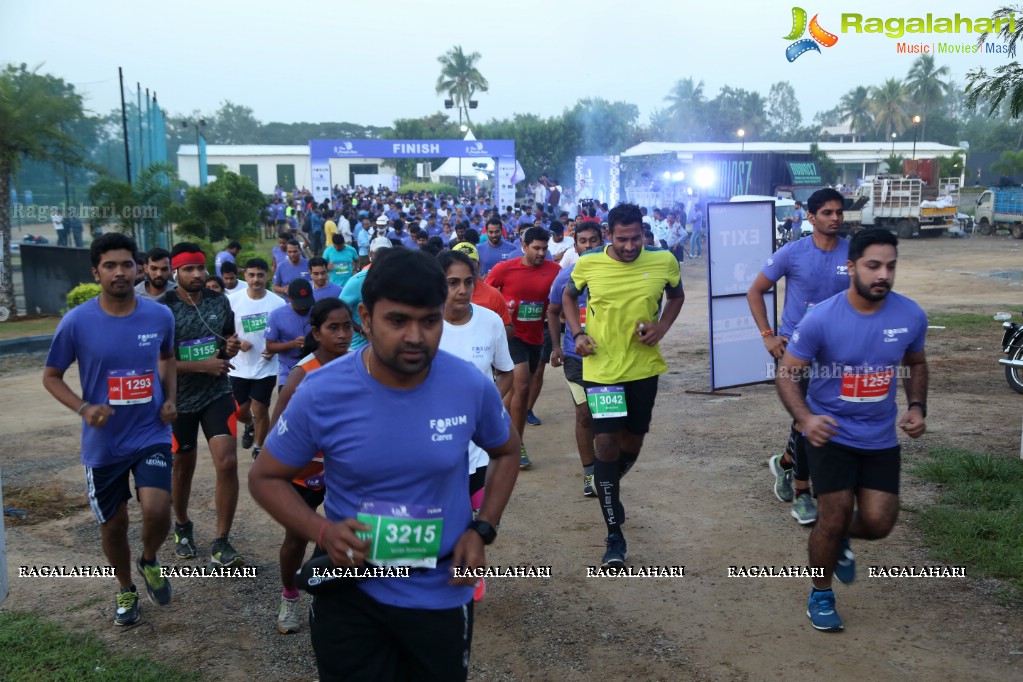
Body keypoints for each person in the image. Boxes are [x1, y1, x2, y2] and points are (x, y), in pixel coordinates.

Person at [248, 248, 520, 681]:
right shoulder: (321, 391)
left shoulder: (468, 384)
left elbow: (506, 450)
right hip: (351, 593)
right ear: (365, 317)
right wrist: (321, 531)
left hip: (440, 590)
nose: (416, 336)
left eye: (429, 321)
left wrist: (483, 527)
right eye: (398, 320)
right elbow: (265, 477)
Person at [776, 229, 928, 632]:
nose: (883, 275)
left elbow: (916, 363)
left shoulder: (910, 315)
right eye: (873, 265)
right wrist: (806, 419)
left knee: (879, 523)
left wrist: (916, 406)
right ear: (851, 268)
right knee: (833, 513)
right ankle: (821, 594)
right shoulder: (822, 317)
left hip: (880, 438)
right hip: (830, 434)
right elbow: (788, 373)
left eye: (890, 266)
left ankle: (840, 537)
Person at [43, 232, 177, 626]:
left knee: (157, 509)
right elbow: (51, 376)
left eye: (126, 264)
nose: (119, 272)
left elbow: (167, 357)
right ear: (96, 272)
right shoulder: (77, 321)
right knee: (114, 525)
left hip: (150, 431)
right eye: (110, 266)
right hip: (104, 443)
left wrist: (170, 398)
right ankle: (125, 588)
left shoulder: (159, 315)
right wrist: (84, 408)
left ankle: (149, 559)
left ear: (137, 268)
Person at [562, 203, 684, 568]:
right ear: (608, 235)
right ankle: (614, 534)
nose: (629, 246)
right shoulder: (588, 264)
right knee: (606, 442)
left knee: (632, 442)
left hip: (644, 370)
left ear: (643, 233)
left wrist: (661, 328)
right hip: (602, 372)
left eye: (635, 239)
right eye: (622, 239)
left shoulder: (663, 261)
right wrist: (578, 333)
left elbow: (676, 297)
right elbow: (568, 296)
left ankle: (607, 484)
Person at [746, 188, 851, 525]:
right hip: (795, 350)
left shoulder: (853, 253)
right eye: (827, 213)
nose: (834, 218)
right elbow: (755, 291)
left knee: (820, 419)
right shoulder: (792, 253)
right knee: (808, 419)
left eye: (839, 212)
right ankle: (803, 495)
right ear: (811, 217)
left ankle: (787, 462)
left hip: (836, 351)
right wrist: (767, 335)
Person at [267, 298, 354, 635]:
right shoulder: (301, 374)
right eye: (333, 328)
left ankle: (332, 596)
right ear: (316, 332)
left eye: (347, 326)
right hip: (303, 473)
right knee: (295, 539)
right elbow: (278, 431)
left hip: (343, 472)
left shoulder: (360, 366)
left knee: (345, 536)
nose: (343, 334)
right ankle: (289, 596)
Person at [159, 242, 245, 568]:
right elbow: (157, 362)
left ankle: (222, 540)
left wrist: (229, 350)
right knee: (183, 467)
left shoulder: (218, 302)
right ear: (175, 272)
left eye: (200, 268)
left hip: (216, 393)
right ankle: (182, 526)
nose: (196, 274)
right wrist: (201, 365)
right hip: (178, 399)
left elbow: (223, 345)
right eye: (188, 269)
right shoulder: (162, 309)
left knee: (227, 462)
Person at [437, 249, 514, 515]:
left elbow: (506, 373)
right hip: (437, 447)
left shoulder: (491, 322)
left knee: (476, 532)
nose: (462, 290)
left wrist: (484, 409)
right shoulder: (424, 326)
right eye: (453, 282)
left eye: (468, 281)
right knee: (444, 528)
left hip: (480, 447)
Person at [486, 226, 562, 469]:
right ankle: (516, 446)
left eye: (544, 248)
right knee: (521, 385)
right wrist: (500, 310)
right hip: (511, 335)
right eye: (536, 248)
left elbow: (562, 297)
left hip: (535, 336)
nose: (541, 253)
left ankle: (498, 429)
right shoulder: (505, 268)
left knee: (516, 393)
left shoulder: (553, 270)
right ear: (524, 247)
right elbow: (486, 293)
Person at [546, 220, 604, 496]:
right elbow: (553, 311)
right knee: (584, 413)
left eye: (594, 240)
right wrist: (556, 346)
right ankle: (590, 472)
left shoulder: (613, 273)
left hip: (610, 358)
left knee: (606, 415)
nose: (589, 246)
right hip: (575, 356)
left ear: (602, 241)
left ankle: (607, 469)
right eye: (584, 241)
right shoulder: (565, 276)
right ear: (576, 244)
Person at [228, 258, 286, 458]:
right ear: (245, 276)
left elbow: (284, 332)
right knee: (239, 411)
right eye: (252, 275)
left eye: (260, 275)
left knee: (260, 407)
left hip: (266, 365)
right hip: (239, 366)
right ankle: (249, 424)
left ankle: (259, 448)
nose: (256, 279)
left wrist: (274, 349)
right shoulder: (232, 301)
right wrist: (236, 342)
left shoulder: (277, 303)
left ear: (267, 276)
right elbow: (222, 331)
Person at [265, 279, 315, 390]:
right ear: (290, 299)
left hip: (316, 371)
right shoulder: (276, 316)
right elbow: (269, 347)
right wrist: (292, 344)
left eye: (307, 303)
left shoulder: (318, 311)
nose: (304, 308)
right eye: (300, 304)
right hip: (288, 373)